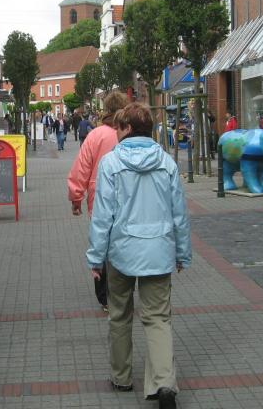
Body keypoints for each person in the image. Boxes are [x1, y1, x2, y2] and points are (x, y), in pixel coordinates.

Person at [86, 103, 191, 408]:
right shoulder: (167, 162)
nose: (115, 132)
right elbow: (179, 214)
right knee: (158, 318)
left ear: (128, 128)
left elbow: (102, 217)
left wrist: (96, 258)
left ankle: (121, 377)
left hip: (121, 251)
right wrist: (182, 252)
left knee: (119, 315)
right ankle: (164, 383)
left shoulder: (110, 163)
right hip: (158, 251)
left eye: (118, 127)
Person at [67, 91, 129, 309]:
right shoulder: (130, 133)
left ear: (106, 109)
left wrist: (76, 198)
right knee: (124, 241)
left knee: (101, 242)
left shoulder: (95, 135)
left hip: (99, 197)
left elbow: (81, 168)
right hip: (128, 199)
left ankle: (104, 296)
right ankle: (123, 289)